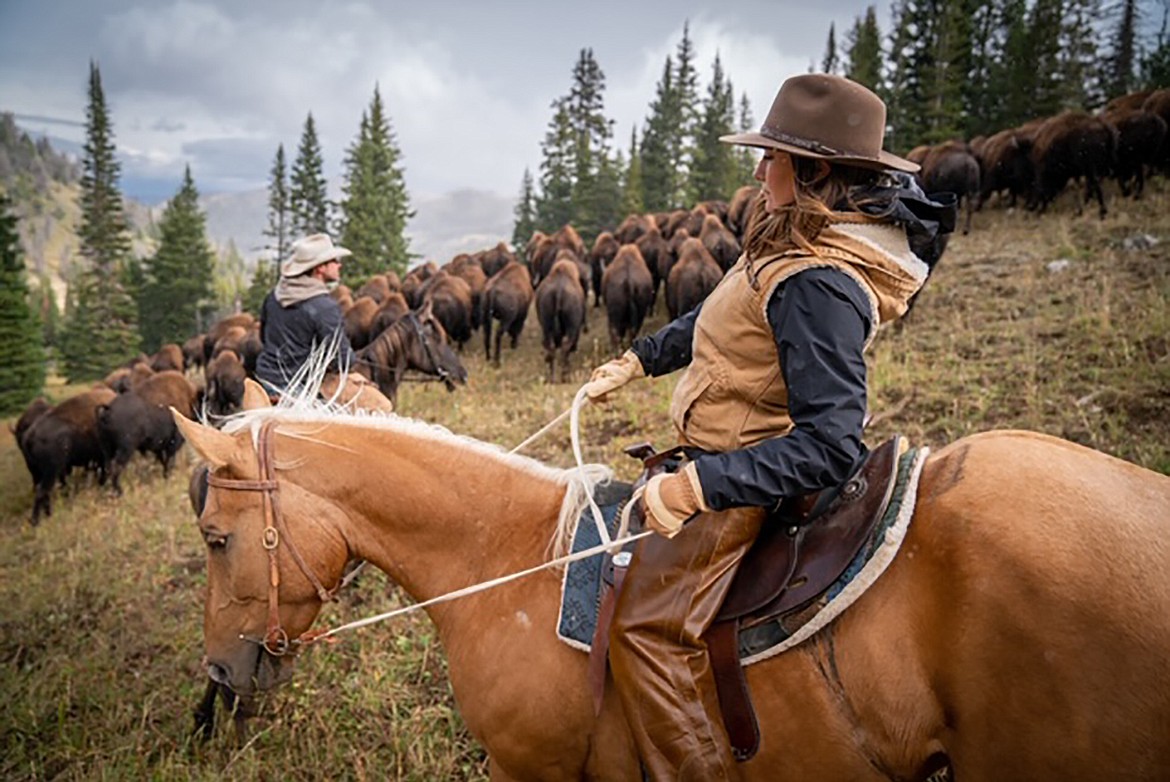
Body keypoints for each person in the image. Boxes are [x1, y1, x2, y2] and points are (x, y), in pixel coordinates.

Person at [583, 73, 955, 779]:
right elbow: (722, 313)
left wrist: (700, 487)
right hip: (726, 456)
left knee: (648, 634)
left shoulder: (818, 282)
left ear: (812, 171)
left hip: (745, 473)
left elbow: (832, 444)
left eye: (771, 157)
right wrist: (638, 359)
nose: (759, 169)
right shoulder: (790, 244)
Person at [255, 233, 394, 413]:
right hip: (300, 389)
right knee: (379, 409)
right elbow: (342, 361)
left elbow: (264, 338)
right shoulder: (324, 307)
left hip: (265, 380)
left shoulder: (273, 297)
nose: (339, 265)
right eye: (334, 260)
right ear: (320, 268)